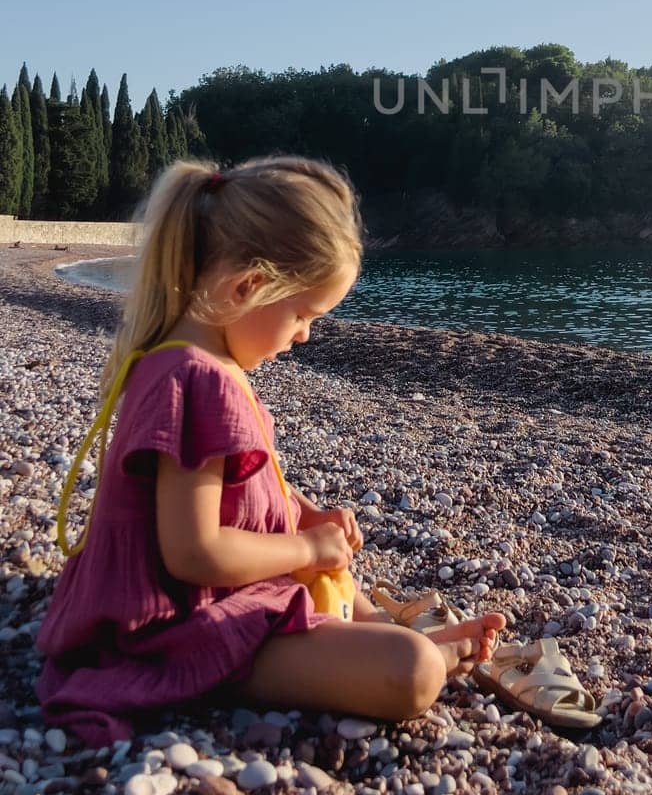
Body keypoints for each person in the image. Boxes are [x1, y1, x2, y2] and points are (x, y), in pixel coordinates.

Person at [38, 155, 505, 745]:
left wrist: (302, 515)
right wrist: (303, 544)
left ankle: (377, 626)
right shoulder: (195, 379)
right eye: (303, 315)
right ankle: (392, 648)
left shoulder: (198, 363)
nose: (305, 335)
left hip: (207, 598)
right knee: (410, 675)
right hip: (170, 625)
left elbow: (238, 483)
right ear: (249, 286)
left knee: (335, 563)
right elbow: (194, 553)